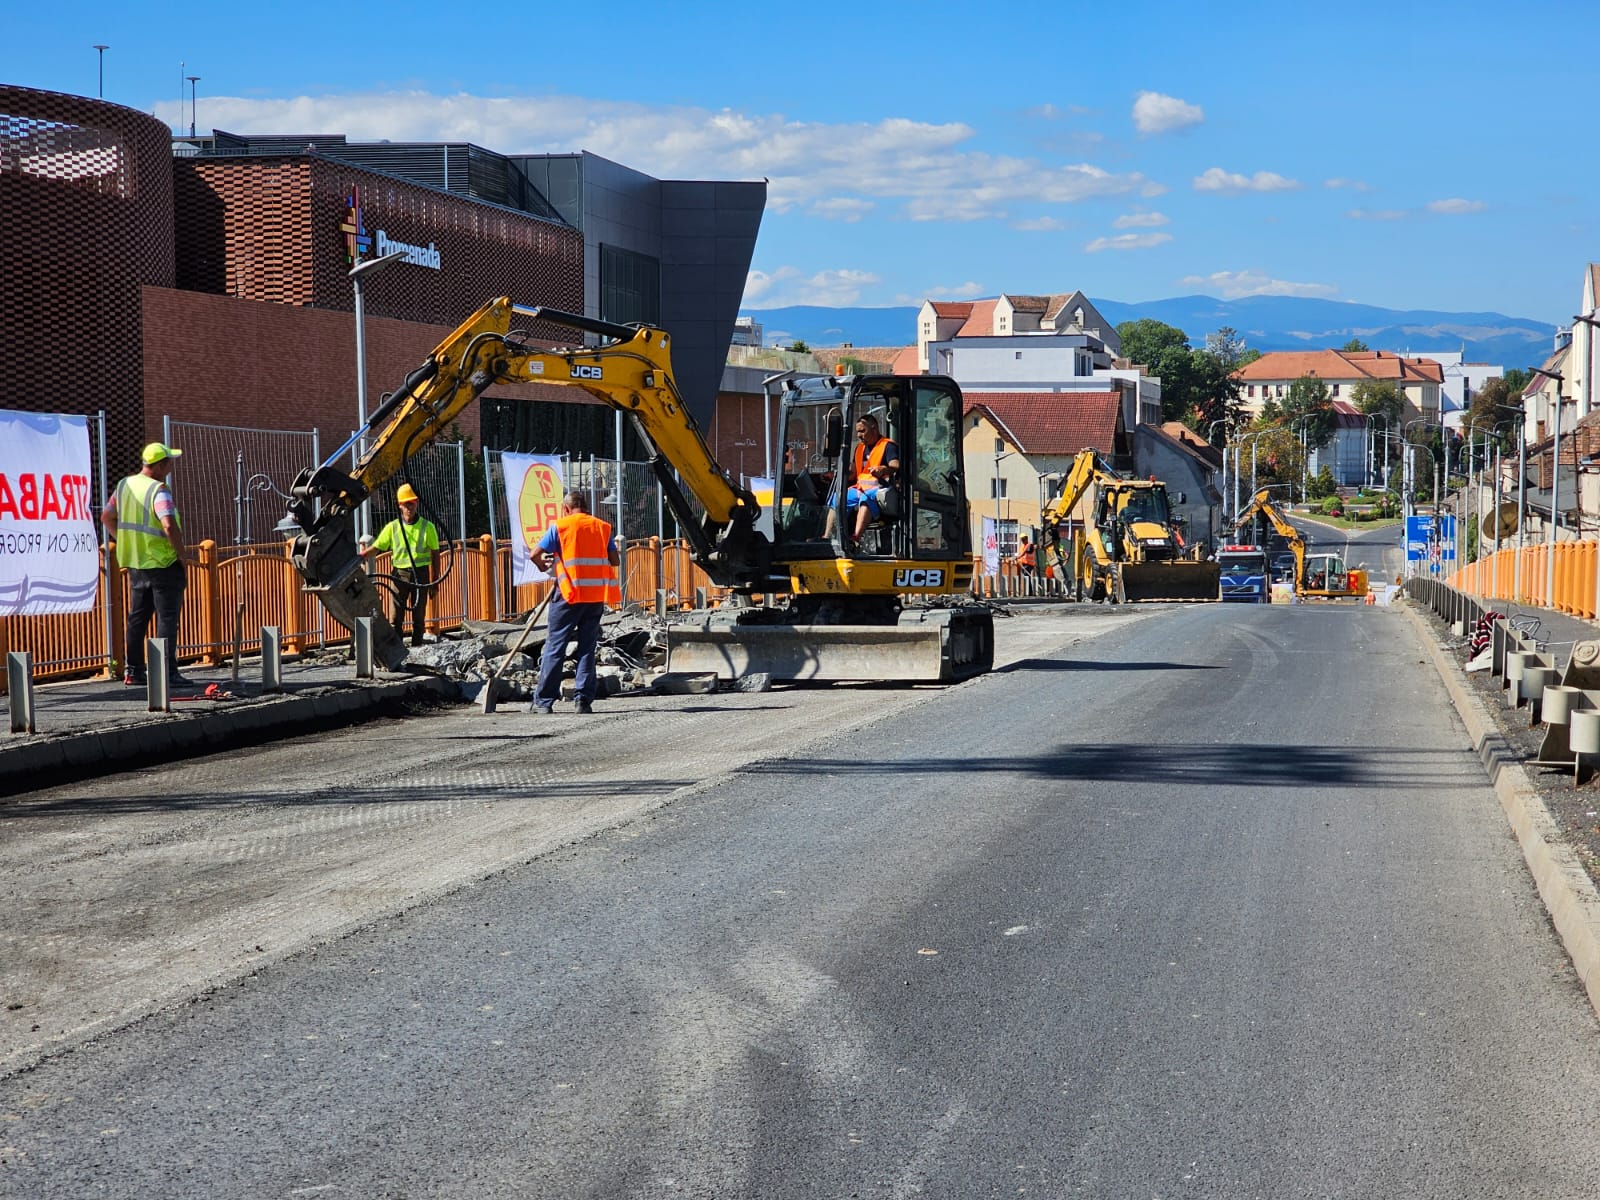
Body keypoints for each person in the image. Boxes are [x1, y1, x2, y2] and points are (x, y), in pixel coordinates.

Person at [102, 441, 194, 688]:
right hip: (163, 562)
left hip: (136, 562)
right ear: (160, 465)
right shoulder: (158, 490)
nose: (171, 467)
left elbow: (106, 516)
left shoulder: (124, 485)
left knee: (138, 617)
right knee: (167, 617)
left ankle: (134, 671)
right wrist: (182, 555)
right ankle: (166, 671)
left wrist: (125, 540)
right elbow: (168, 525)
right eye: (169, 462)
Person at [529, 491, 621, 715]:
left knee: (555, 647)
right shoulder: (602, 527)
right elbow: (615, 560)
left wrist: (545, 566)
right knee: (587, 648)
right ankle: (582, 701)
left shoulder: (560, 526)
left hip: (568, 595)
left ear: (566, 509)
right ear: (586, 506)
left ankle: (543, 702)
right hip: (595, 596)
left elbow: (535, 554)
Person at [361, 482, 440, 648]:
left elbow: (435, 554)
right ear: (400, 506)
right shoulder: (393, 528)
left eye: (412, 503)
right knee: (396, 616)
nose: (410, 507)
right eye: (406, 504)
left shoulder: (427, 527)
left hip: (421, 574)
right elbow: (377, 547)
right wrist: (361, 556)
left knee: (419, 616)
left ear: (417, 503)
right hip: (399, 574)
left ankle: (417, 648)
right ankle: (396, 649)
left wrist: (435, 581)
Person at [845, 413, 900, 546]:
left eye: (862, 431)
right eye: (858, 432)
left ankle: (855, 538)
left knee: (866, 498)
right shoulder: (859, 448)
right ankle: (829, 535)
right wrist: (838, 474)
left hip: (880, 489)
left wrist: (883, 469)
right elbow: (853, 474)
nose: (859, 435)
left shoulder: (887, 445)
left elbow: (896, 465)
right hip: (860, 488)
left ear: (874, 428)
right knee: (838, 497)